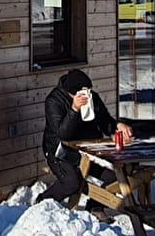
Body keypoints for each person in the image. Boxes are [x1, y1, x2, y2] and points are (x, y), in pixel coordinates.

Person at [36, 69, 134, 211]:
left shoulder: (92, 97)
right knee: (72, 183)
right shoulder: (54, 101)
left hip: (87, 149)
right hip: (59, 151)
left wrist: (117, 125)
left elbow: (104, 120)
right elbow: (62, 134)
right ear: (73, 92)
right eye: (83, 92)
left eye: (88, 91)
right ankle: (42, 202)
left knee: (114, 177)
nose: (87, 95)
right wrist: (74, 109)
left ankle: (95, 207)